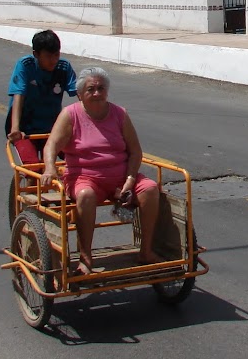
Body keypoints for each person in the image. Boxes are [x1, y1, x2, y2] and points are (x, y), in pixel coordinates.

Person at [41, 66, 162, 274]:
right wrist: (50, 168)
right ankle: (86, 258)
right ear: (80, 94)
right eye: (91, 89)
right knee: (86, 196)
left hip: (121, 176)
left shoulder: (119, 114)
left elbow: (135, 151)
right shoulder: (70, 115)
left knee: (151, 188)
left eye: (101, 88)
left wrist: (130, 180)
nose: (97, 93)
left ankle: (146, 251)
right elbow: (51, 145)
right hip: (84, 177)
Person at [6, 30, 77, 163]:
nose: (54, 60)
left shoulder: (63, 67)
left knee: (74, 158)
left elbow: (80, 94)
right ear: (36, 54)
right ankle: (30, 179)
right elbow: (18, 95)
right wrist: (15, 128)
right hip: (24, 129)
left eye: (56, 55)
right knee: (33, 167)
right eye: (48, 56)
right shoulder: (26, 65)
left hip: (52, 127)